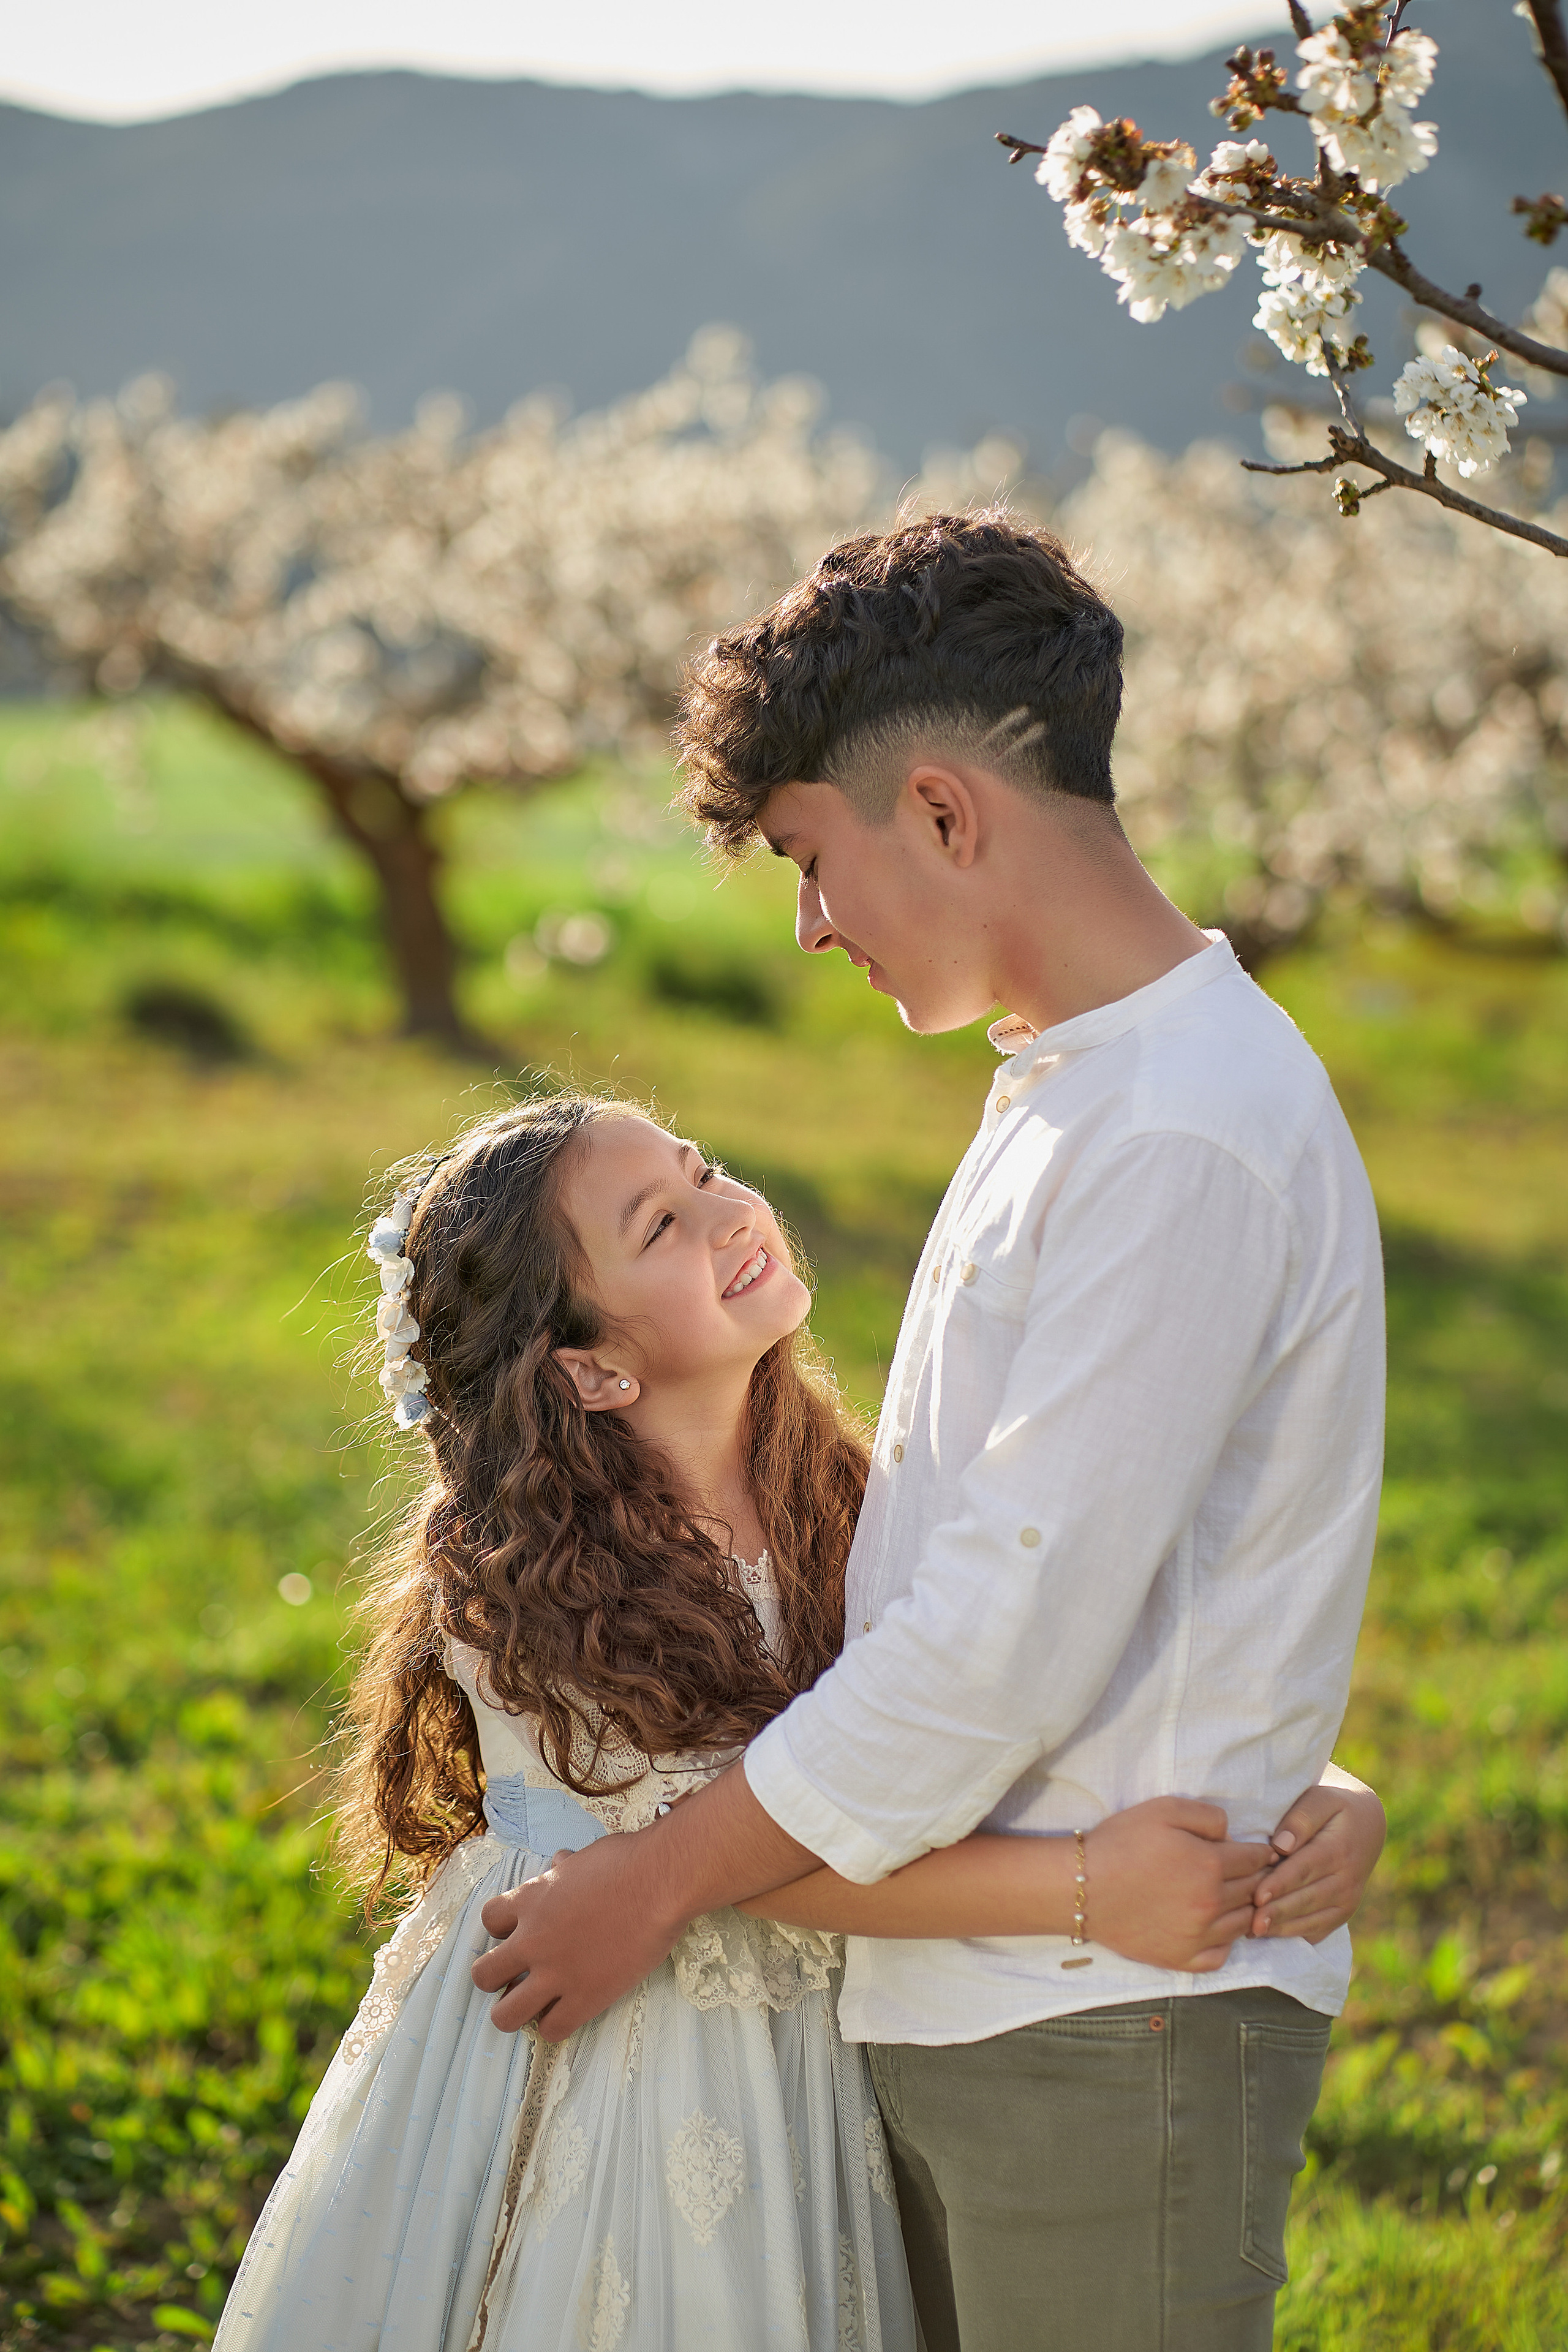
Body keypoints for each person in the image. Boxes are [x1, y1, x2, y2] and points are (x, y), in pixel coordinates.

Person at [470, 512, 1390, 2352]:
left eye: (815, 858)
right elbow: (1083, 1542)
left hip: (1105, 2021)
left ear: (950, 815)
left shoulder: (1173, 1130)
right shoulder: (1075, 1088)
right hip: (999, 1992)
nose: (813, 925)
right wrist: (1288, 1745)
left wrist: (655, 1882)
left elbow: (997, 1645)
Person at [215, 1094, 1383, 2352]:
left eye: (703, 1168)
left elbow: (990, 1695)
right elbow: (743, 1860)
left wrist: (1308, 1788)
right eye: (662, 1222)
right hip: (614, 2047)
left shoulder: (841, 1492)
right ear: (592, 1368)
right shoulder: (530, 1573)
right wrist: (1089, 1888)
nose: (726, 1212)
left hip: (812, 2058)